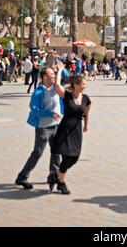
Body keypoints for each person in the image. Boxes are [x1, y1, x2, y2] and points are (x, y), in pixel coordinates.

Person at [15, 67, 63, 190]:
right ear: (45, 77)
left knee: (56, 152)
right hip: (43, 127)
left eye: (54, 73)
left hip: (56, 125)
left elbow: (67, 79)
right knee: (37, 153)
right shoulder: (38, 92)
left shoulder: (56, 87)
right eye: (52, 74)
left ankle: (53, 176)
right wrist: (50, 113)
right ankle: (22, 177)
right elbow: (35, 110)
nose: (54, 75)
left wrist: (61, 69)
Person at [50, 62, 91, 195]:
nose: (84, 86)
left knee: (74, 158)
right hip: (65, 129)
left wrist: (86, 125)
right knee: (66, 157)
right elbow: (57, 85)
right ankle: (61, 183)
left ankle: (55, 175)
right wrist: (60, 70)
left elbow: (86, 113)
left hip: (77, 130)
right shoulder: (67, 96)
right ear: (75, 85)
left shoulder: (85, 99)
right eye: (82, 84)